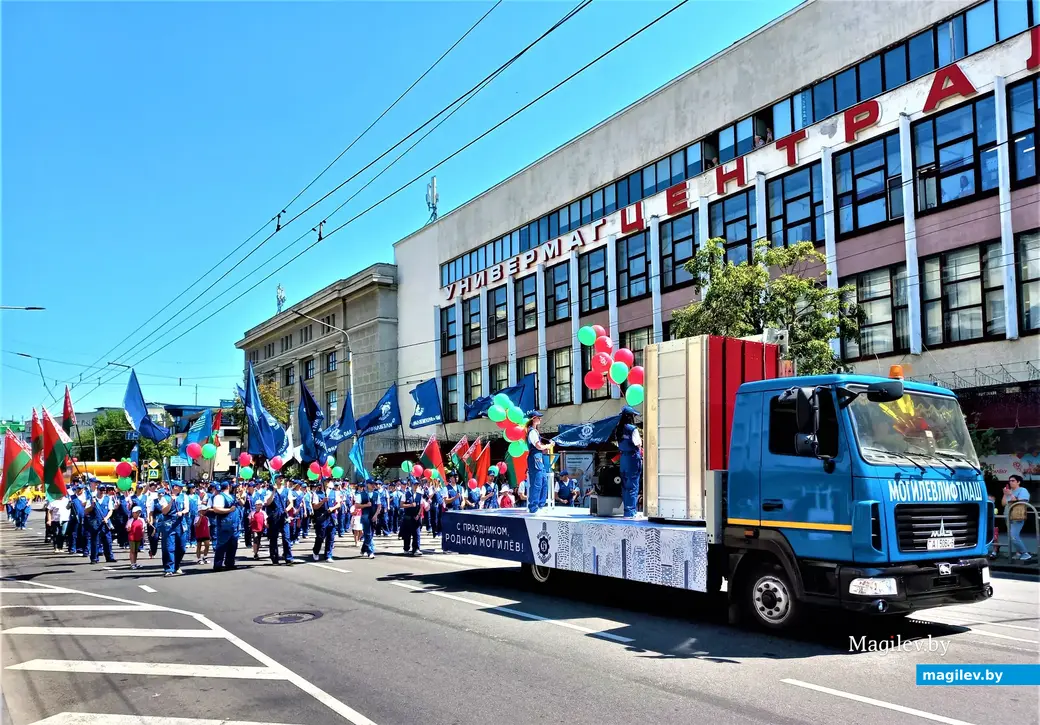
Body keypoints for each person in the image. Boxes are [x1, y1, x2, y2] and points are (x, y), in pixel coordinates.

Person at [617, 406, 644, 518]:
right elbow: (638, 444)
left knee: (625, 486)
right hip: (632, 458)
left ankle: (626, 510)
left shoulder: (618, 429)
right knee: (633, 485)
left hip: (623, 459)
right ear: (630, 417)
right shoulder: (632, 429)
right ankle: (631, 512)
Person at [158, 481, 189, 576]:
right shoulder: (165, 498)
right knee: (169, 547)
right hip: (169, 524)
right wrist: (171, 501)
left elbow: (187, 508)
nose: (181, 488)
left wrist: (182, 512)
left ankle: (176, 565)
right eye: (180, 487)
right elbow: (164, 511)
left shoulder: (184, 496)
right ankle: (169, 568)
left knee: (182, 547)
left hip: (180, 523)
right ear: (175, 487)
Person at [264, 476, 295, 565]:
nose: (281, 480)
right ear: (275, 480)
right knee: (274, 538)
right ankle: (274, 558)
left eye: (282, 478)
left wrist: (287, 509)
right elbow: (268, 502)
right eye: (279, 478)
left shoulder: (287, 490)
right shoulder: (270, 490)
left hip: (284, 516)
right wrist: (273, 491)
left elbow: (291, 503)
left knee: (286, 537)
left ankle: (288, 557)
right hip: (274, 517)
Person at [211, 481, 241, 571]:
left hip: (234, 525)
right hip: (225, 524)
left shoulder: (232, 496)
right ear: (228, 486)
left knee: (233, 545)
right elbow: (216, 509)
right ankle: (218, 565)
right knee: (222, 545)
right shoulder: (219, 497)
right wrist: (229, 510)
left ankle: (230, 563)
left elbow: (242, 504)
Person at [526, 411, 552, 513]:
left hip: (539, 457)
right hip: (535, 458)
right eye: (539, 418)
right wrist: (548, 446)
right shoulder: (532, 431)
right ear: (533, 418)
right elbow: (538, 446)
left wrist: (547, 447)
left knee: (543, 481)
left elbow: (540, 448)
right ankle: (533, 507)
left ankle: (540, 505)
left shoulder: (535, 432)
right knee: (536, 483)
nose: (540, 419)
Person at [1003, 474, 1032, 562]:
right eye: (1010, 481)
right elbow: (1003, 503)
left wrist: (1011, 494)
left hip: (1017, 516)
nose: (1010, 482)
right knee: (1011, 536)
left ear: (1018, 482)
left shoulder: (1023, 490)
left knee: (1014, 536)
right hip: (1007, 516)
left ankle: (1025, 553)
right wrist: (1005, 494)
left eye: (1013, 481)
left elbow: (1021, 502)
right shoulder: (1009, 491)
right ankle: (1018, 552)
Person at [311, 479, 338, 562]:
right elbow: (315, 506)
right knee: (320, 536)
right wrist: (322, 501)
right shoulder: (316, 494)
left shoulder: (334, 492)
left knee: (331, 537)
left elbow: (339, 503)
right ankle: (316, 551)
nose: (327, 482)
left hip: (332, 517)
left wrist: (333, 508)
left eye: (329, 481)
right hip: (322, 517)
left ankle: (328, 555)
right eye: (326, 481)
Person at [400, 480, 423, 555]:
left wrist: (418, 515)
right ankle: (406, 548)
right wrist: (410, 505)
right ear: (411, 485)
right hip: (408, 517)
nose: (416, 486)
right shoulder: (406, 494)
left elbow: (421, 506)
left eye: (417, 485)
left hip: (416, 517)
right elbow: (401, 505)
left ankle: (416, 549)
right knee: (407, 534)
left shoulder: (420, 495)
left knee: (417, 534)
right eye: (414, 485)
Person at [359, 479, 379, 559]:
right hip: (365, 516)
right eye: (371, 484)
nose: (373, 485)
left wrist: (376, 515)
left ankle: (364, 549)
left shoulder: (376, 494)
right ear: (367, 484)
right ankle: (370, 551)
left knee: (371, 534)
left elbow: (379, 506)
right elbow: (357, 505)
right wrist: (366, 505)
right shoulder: (361, 494)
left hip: (373, 516)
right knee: (368, 534)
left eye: (374, 484)